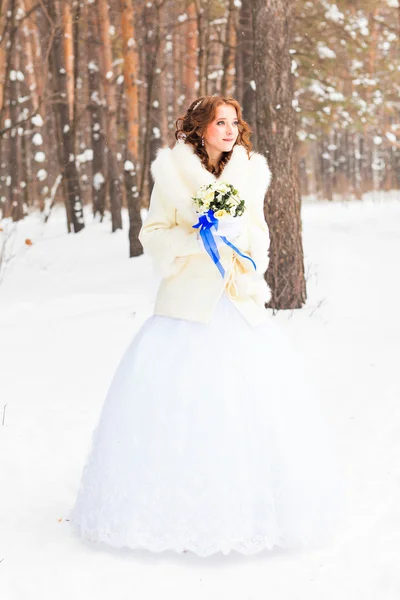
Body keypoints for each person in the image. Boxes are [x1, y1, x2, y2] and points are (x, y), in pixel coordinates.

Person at [69, 96, 343, 557]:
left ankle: (250, 510)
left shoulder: (252, 171)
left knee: (249, 409)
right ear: (200, 128)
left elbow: (260, 232)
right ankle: (171, 513)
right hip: (185, 311)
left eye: (234, 122)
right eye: (220, 122)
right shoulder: (171, 174)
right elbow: (151, 235)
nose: (230, 129)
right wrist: (198, 237)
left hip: (238, 302)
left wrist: (239, 237)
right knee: (179, 411)